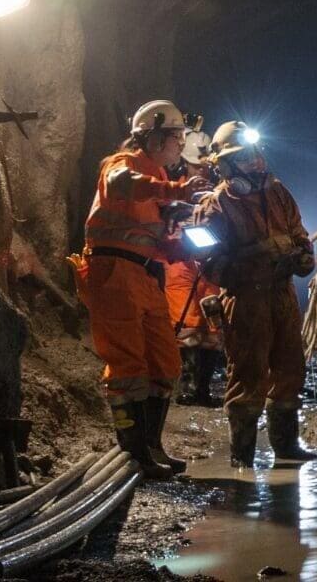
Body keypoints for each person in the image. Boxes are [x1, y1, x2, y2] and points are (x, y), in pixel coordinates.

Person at [71, 99, 210, 479]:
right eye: (175, 136)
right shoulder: (122, 165)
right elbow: (123, 186)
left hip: (146, 276)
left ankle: (152, 446)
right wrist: (178, 192)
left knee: (165, 363)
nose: (180, 144)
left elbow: (158, 243)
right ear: (151, 137)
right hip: (113, 272)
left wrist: (194, 247)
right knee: (128, 364)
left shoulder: (161, 182)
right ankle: (134, 454)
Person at [190, 121, 317, 466]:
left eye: (257, 155)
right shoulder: (215, 206)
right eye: (247, 158)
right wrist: (258, 262)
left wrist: (303, 257)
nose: (257, 164)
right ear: (226, 165)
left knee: (289, 367)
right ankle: (243, 457)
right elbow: (209, 263)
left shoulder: (278, 194)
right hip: (245, 300)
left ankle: (286, 448)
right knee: (248, 374)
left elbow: (298, 233)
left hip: (282, 296)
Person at [166, 260, 225, 406]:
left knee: (213, 330)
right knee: (187, 325)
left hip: (213, 265)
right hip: (183, 265)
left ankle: (202, 390)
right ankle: (187, 389)